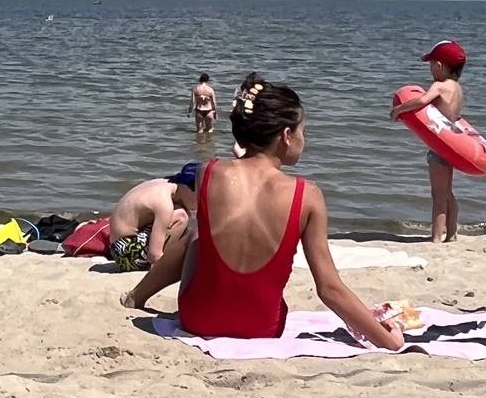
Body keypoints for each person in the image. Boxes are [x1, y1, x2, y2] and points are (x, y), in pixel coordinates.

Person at [121, 78, 403, 350]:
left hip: (198, 319)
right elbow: (329, 288)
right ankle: (139, 295)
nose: (304, 139)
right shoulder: (308, 195)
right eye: (303, 131)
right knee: (200, 234)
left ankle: (137, 296)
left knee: (197, 234)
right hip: (262, 327)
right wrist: (387, 340)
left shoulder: (209, 172)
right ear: (287, 135)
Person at [390, 40, 468, 243]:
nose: (430, 68)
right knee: (448, 192)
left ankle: (436, 238)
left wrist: (399, 109)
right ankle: (452, 233)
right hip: (452, 146)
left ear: (439, 65)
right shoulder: (457, 89)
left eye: (431, 64)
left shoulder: (439, 86)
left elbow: (423, 100)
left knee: (438, 194)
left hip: (439, 148)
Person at [106, 164, 199, 271]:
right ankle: (164, 263)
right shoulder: (164, 203)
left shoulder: (164, 184)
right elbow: (154, 255)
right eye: (199, 197)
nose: (199, 204)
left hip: (118, 248)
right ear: (188, 188)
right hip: (127, 254)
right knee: (181, 216)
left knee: (179, 212)